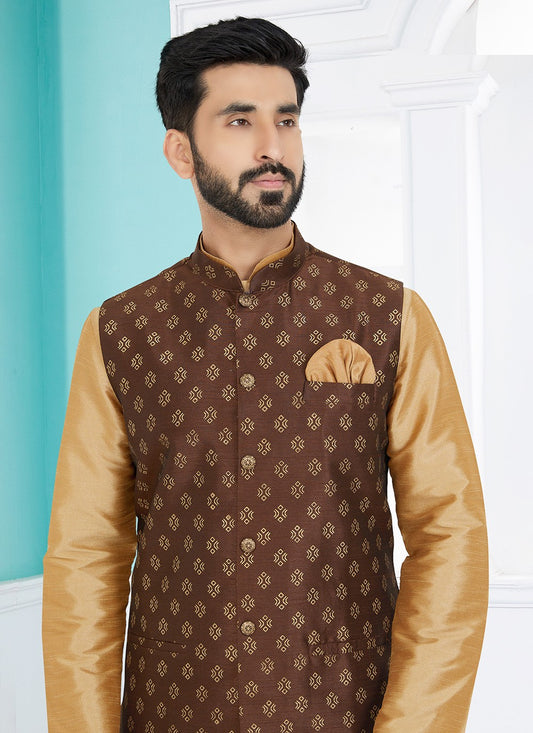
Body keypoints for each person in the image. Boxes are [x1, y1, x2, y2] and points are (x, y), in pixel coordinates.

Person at [42, 16, 488, 733]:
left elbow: (449, 533)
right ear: (181, 152)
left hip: (345, 713)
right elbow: (86, 557)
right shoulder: (121, 332)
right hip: (173, 712)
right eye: (239, 121)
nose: (272, 147)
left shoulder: (388, 315)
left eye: (286, 120)